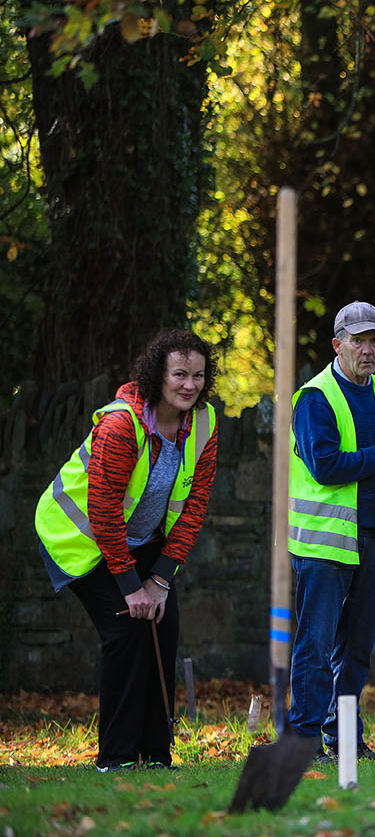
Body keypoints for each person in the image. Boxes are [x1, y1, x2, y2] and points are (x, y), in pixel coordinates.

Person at [35, 329, 220, 771]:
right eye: (179, 374)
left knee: (164, 624)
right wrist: (129, 586)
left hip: (140, 541)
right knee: (126, 631)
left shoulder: (205, 425)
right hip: (82, 539)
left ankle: (156, 755)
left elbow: (193, 508)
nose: (189, 385)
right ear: (158, 374)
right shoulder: (122, 424)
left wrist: (158, 582)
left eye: (197, 375)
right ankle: (115, 758)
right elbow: (101, 508)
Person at [288, 301, 375, 761]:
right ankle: (302, 743)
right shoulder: (314, 398)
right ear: (337, 344)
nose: (368, 349)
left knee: (358, 650)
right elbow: (325, 466)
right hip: (323, 542)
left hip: (372, 538)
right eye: (358, 340)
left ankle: (344, 739)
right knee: (316, 646)